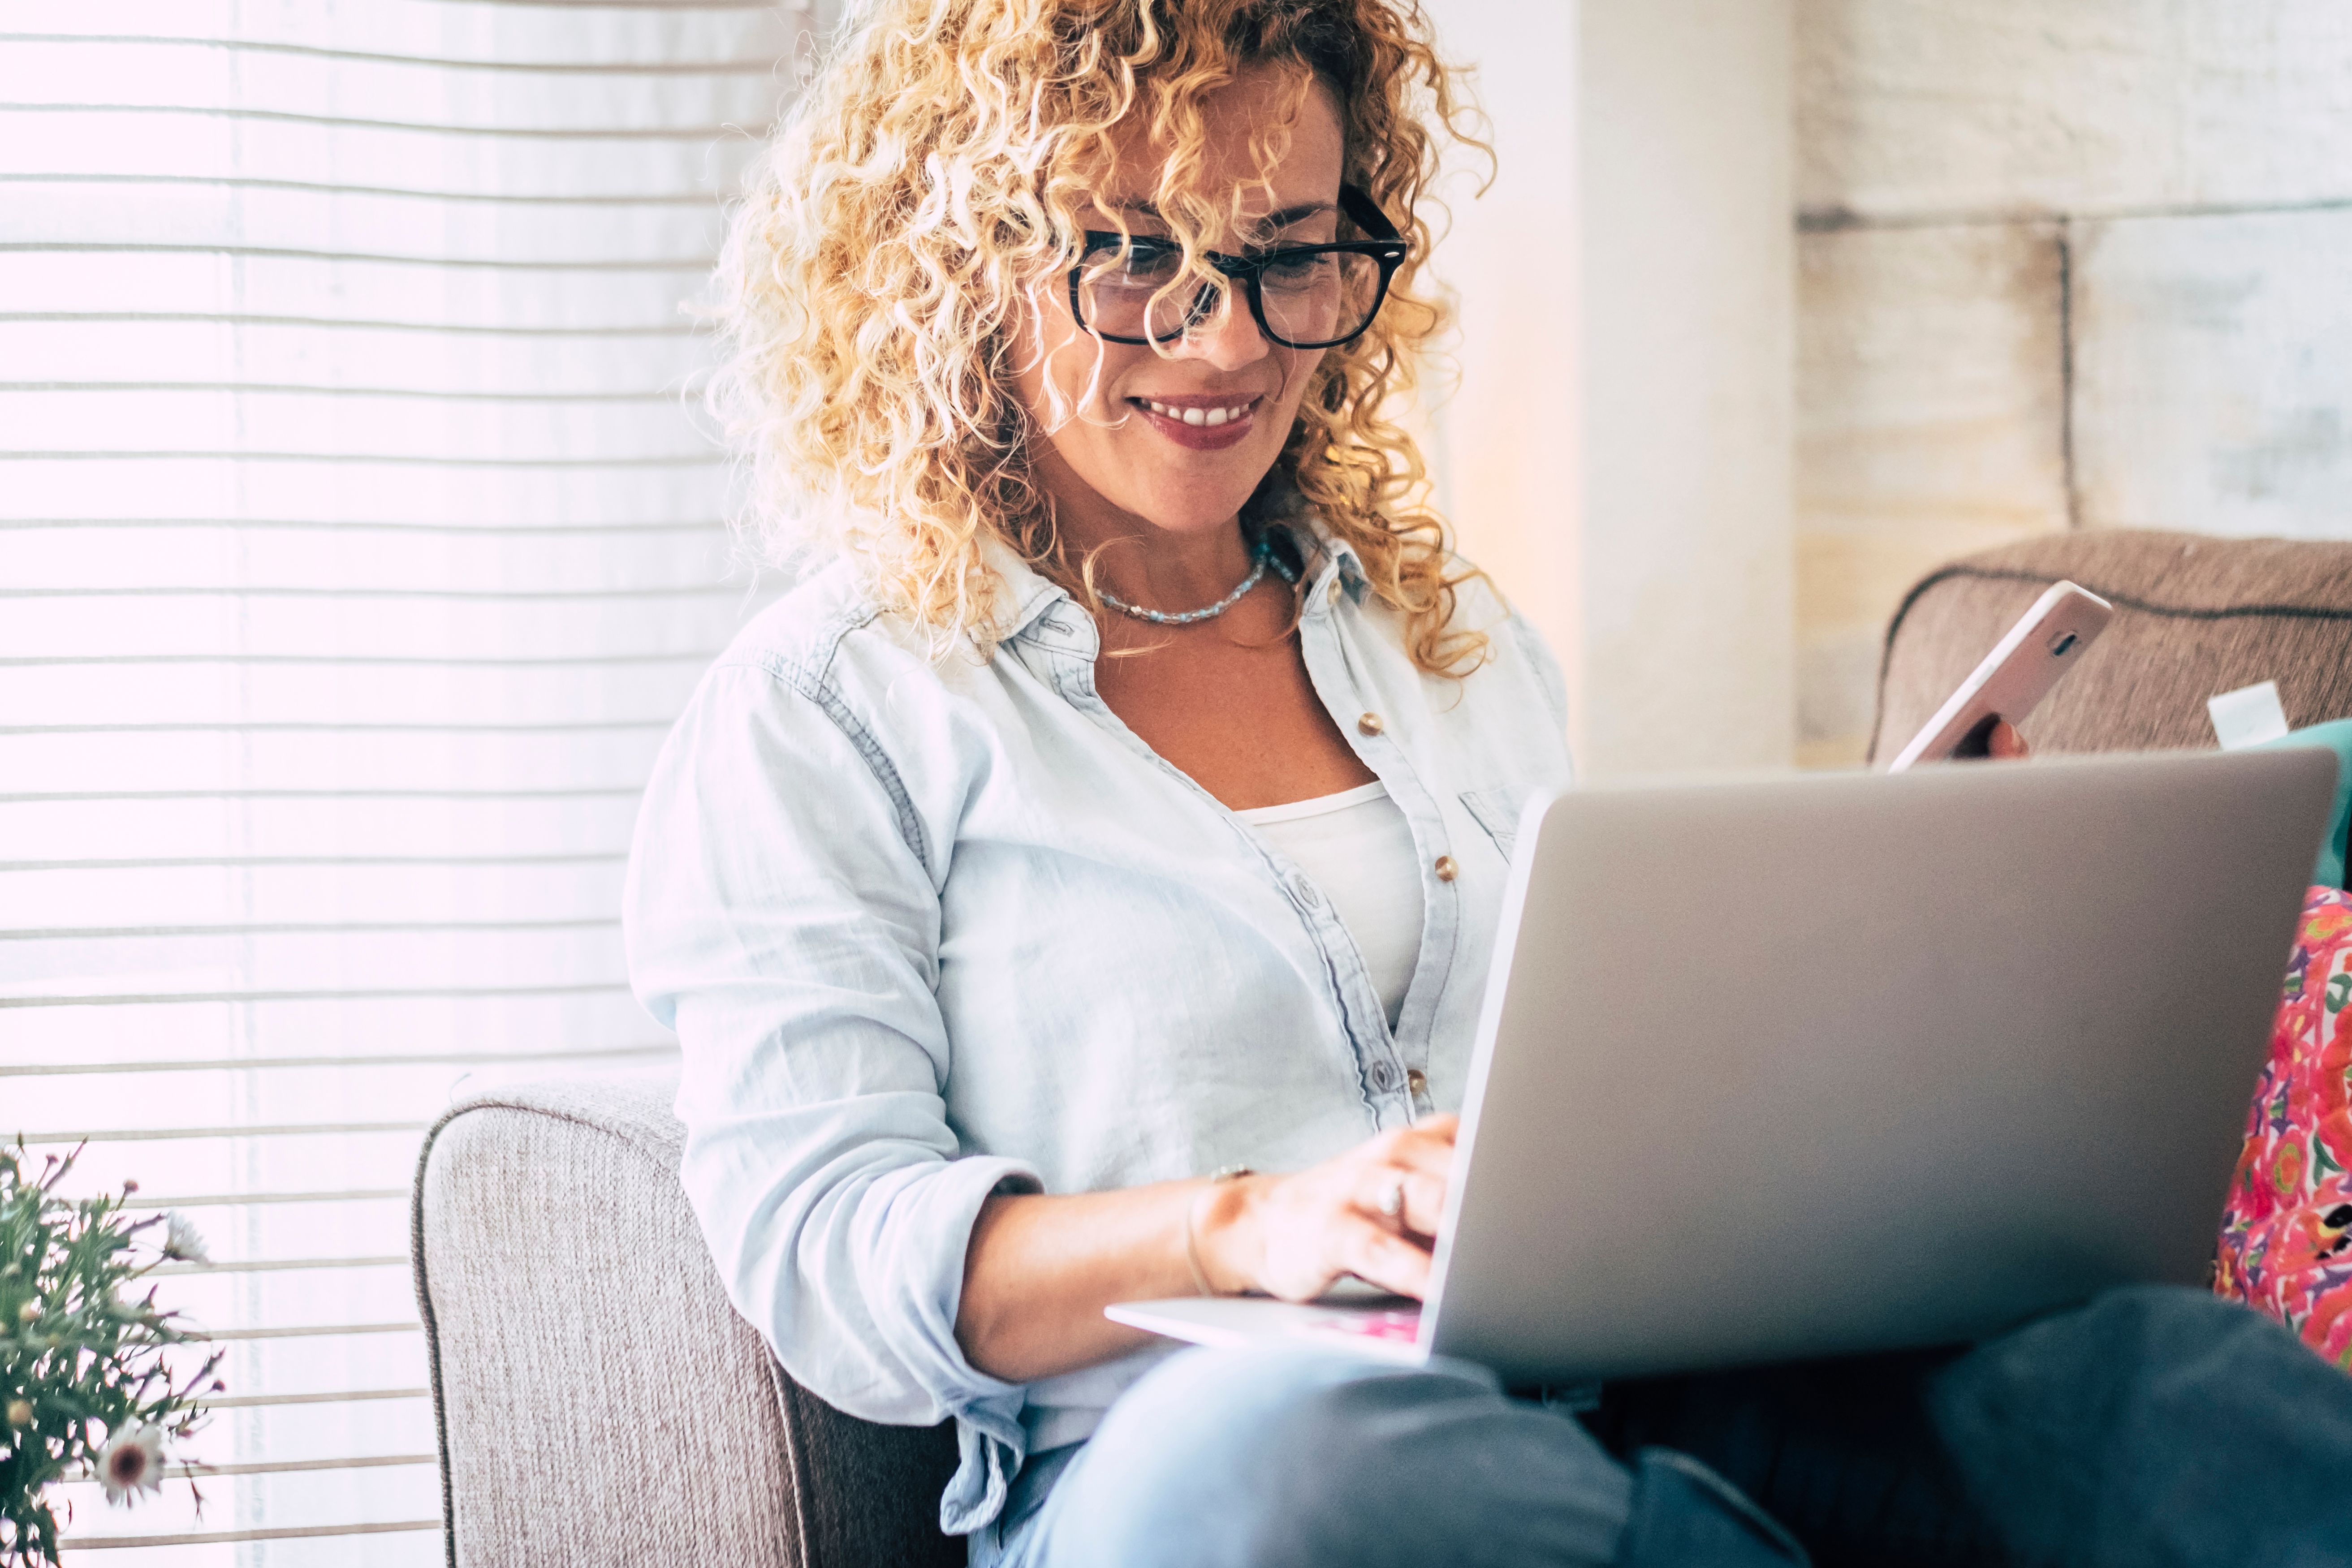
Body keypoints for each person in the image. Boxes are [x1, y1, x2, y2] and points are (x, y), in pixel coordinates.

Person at [622, 1, 2352, 1563]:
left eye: (1291, 255)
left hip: (1619, 1394)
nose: (1224, 345)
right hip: (1195, 1460)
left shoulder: (1447, 646)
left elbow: (1590, 1093)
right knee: (1297, 1477)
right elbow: (831, 1257)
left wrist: (1876, 997)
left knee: (2158, 1375)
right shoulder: (825, 712)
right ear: (965, 258)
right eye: (1134, 256)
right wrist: (1245, 1228)